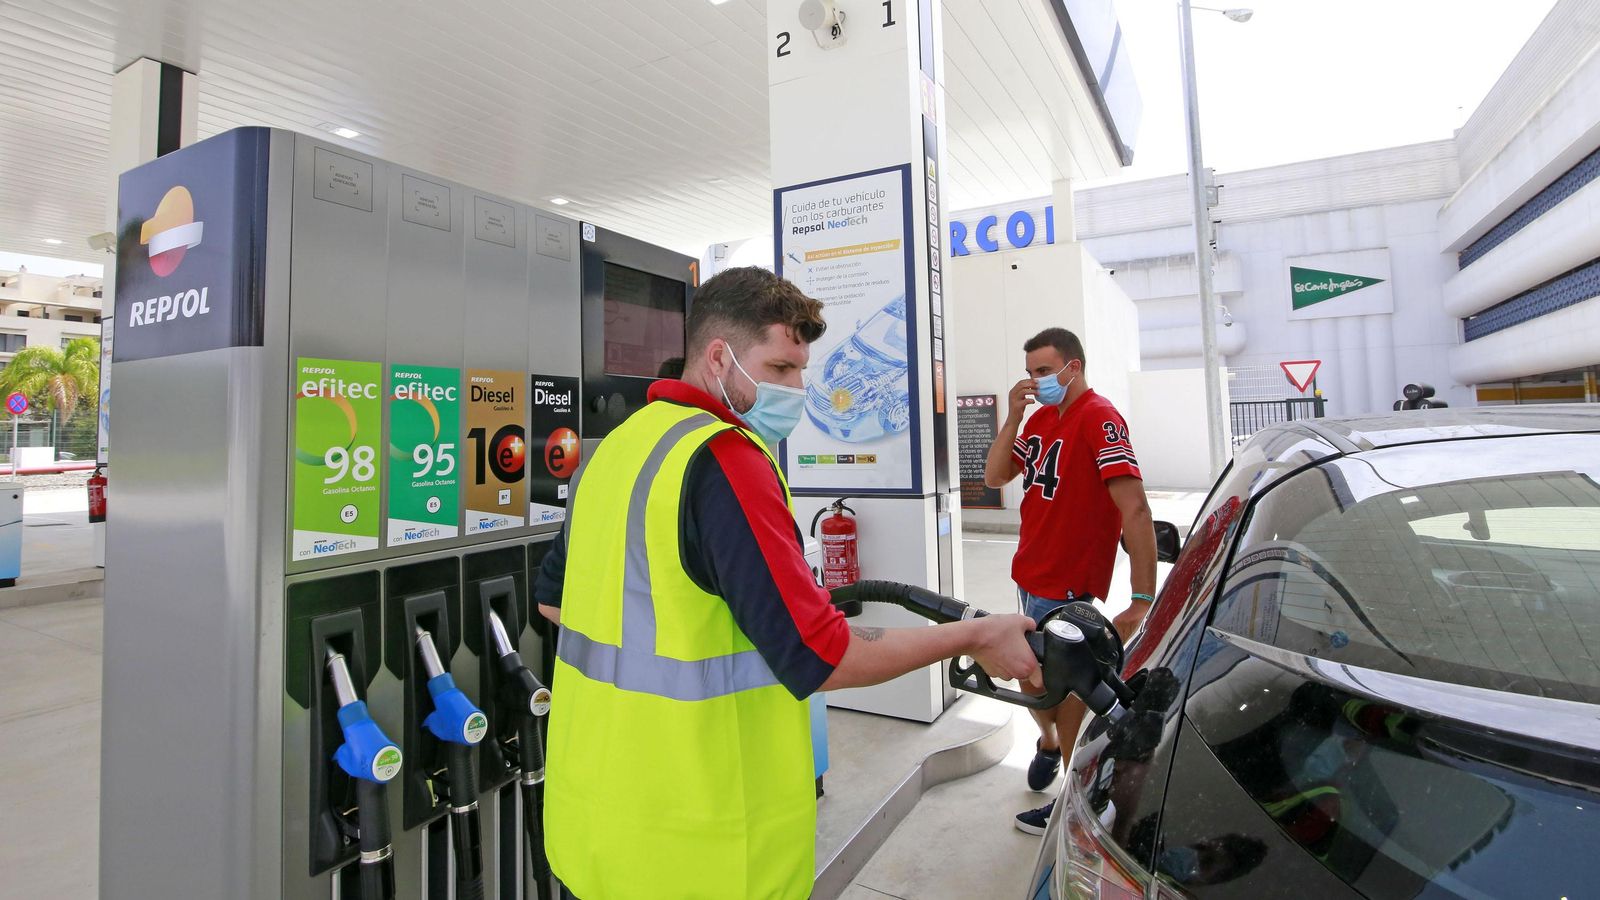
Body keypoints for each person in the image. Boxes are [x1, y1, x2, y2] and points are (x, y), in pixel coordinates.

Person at [533, 266, 1041, 900]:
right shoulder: (725, 460)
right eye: (778, 370)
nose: (798, 389)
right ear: (718, 357)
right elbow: (822, 654)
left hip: (597, 823)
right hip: (705, 849)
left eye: (801, 371)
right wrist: (974, 635)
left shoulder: (614, 449)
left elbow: (556, 601)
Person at [981, 326, 1157, 835]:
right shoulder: (1038, 420)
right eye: (1031, 371)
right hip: (1029, 576)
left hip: (1069, 587)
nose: (1035, 381)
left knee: (1072, 696)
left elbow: (1136, 509)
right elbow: (994, 477)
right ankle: (1048, 745)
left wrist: (1141, 597)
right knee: (1030, 680)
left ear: (1072, 367)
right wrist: (1013, 415)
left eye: (1043, 371)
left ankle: (1070, 801)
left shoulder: (1099, 419)